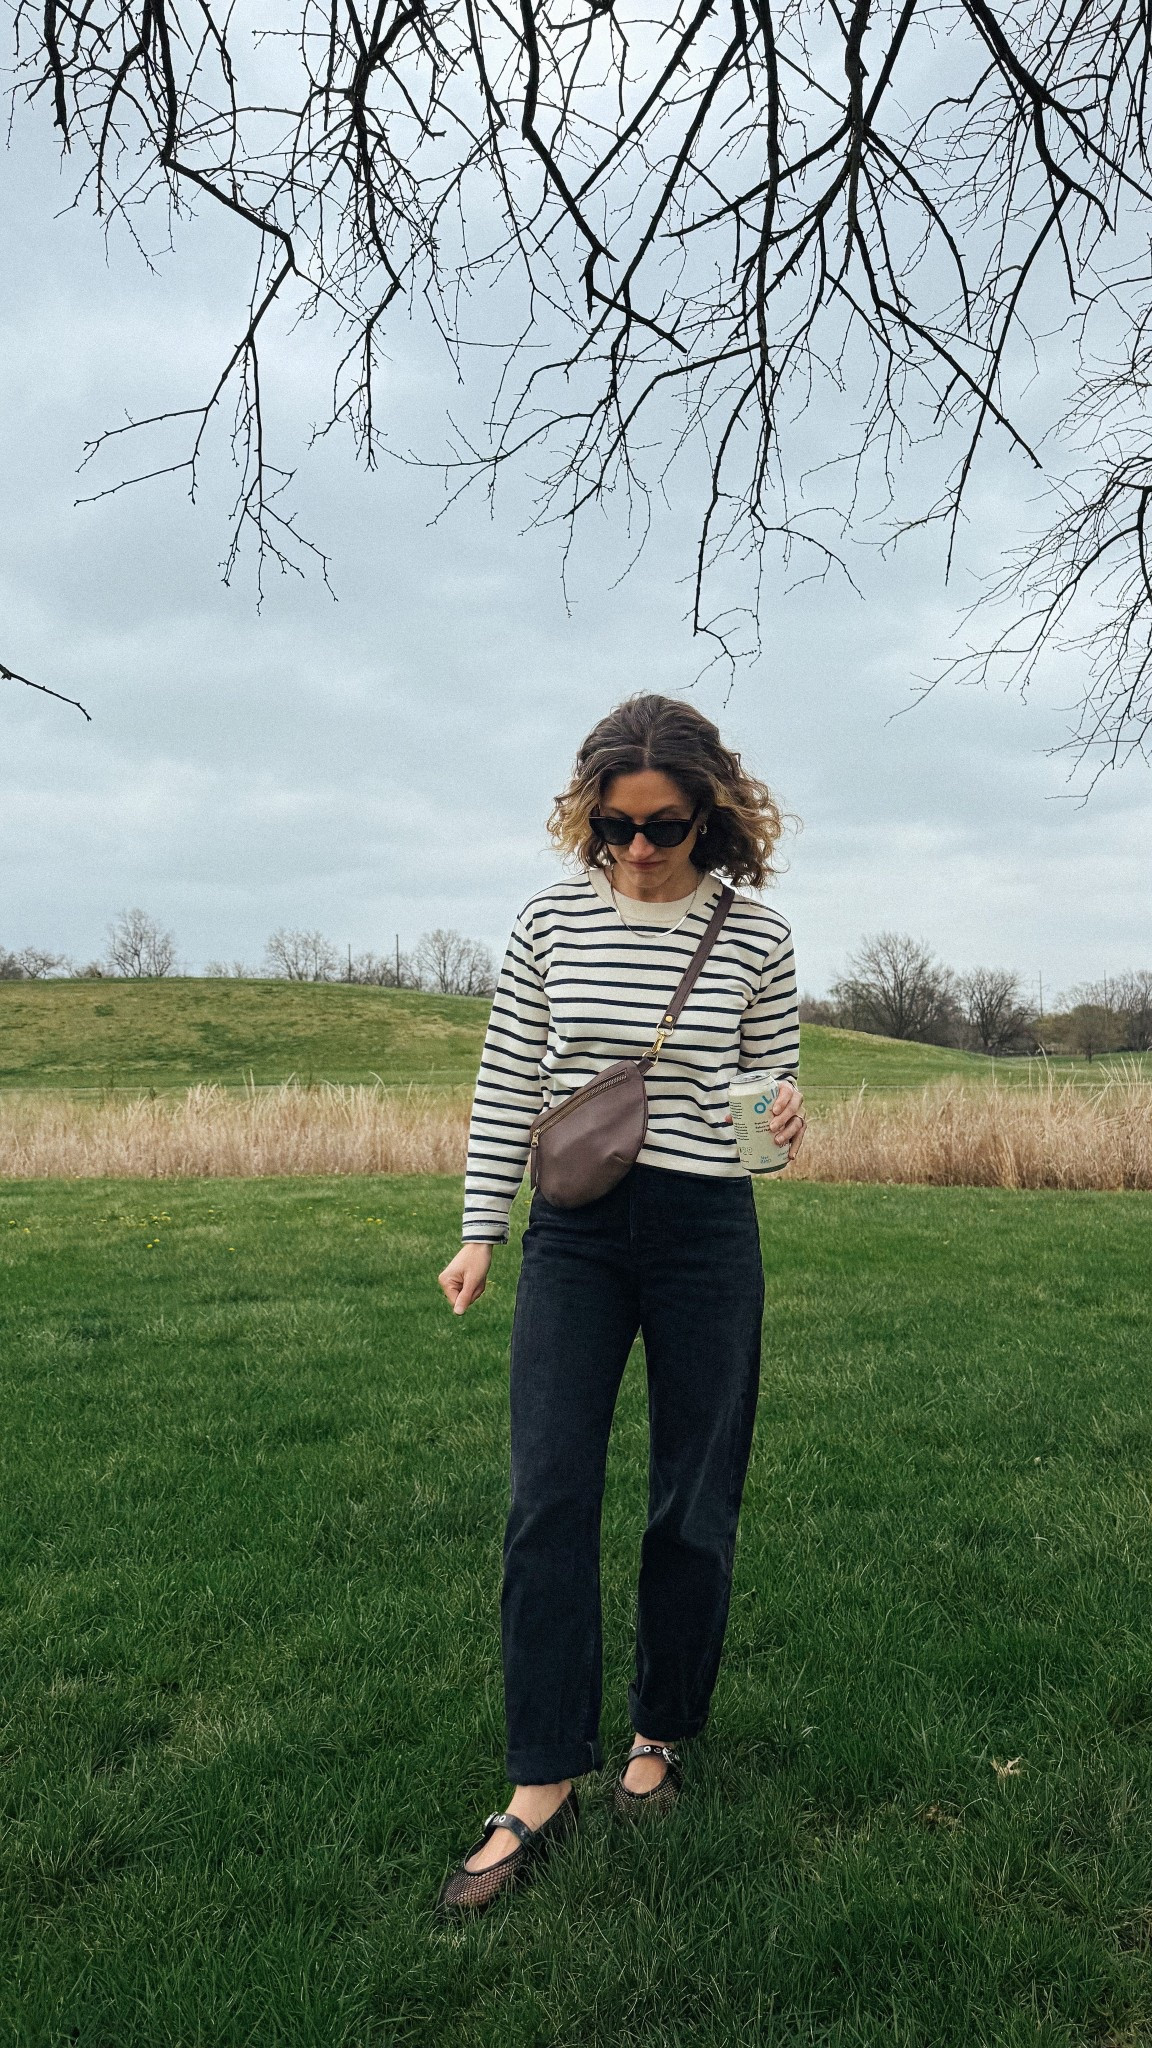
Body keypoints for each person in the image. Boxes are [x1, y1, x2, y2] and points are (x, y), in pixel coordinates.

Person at [436, 693, 806, 1914]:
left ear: (712, 813)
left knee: (694, 1500)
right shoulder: (547, 920)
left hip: (708, 1232)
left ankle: (660, 1729)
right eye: (614, 827)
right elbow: (507, 1084)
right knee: (548, 1496)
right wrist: (481, 1230)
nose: (637, 850)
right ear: (588, 816)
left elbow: (763, 1114)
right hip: (577, 1237)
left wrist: (783, 1126)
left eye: (662, 825)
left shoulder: (756, 935)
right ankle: (540, 1775)